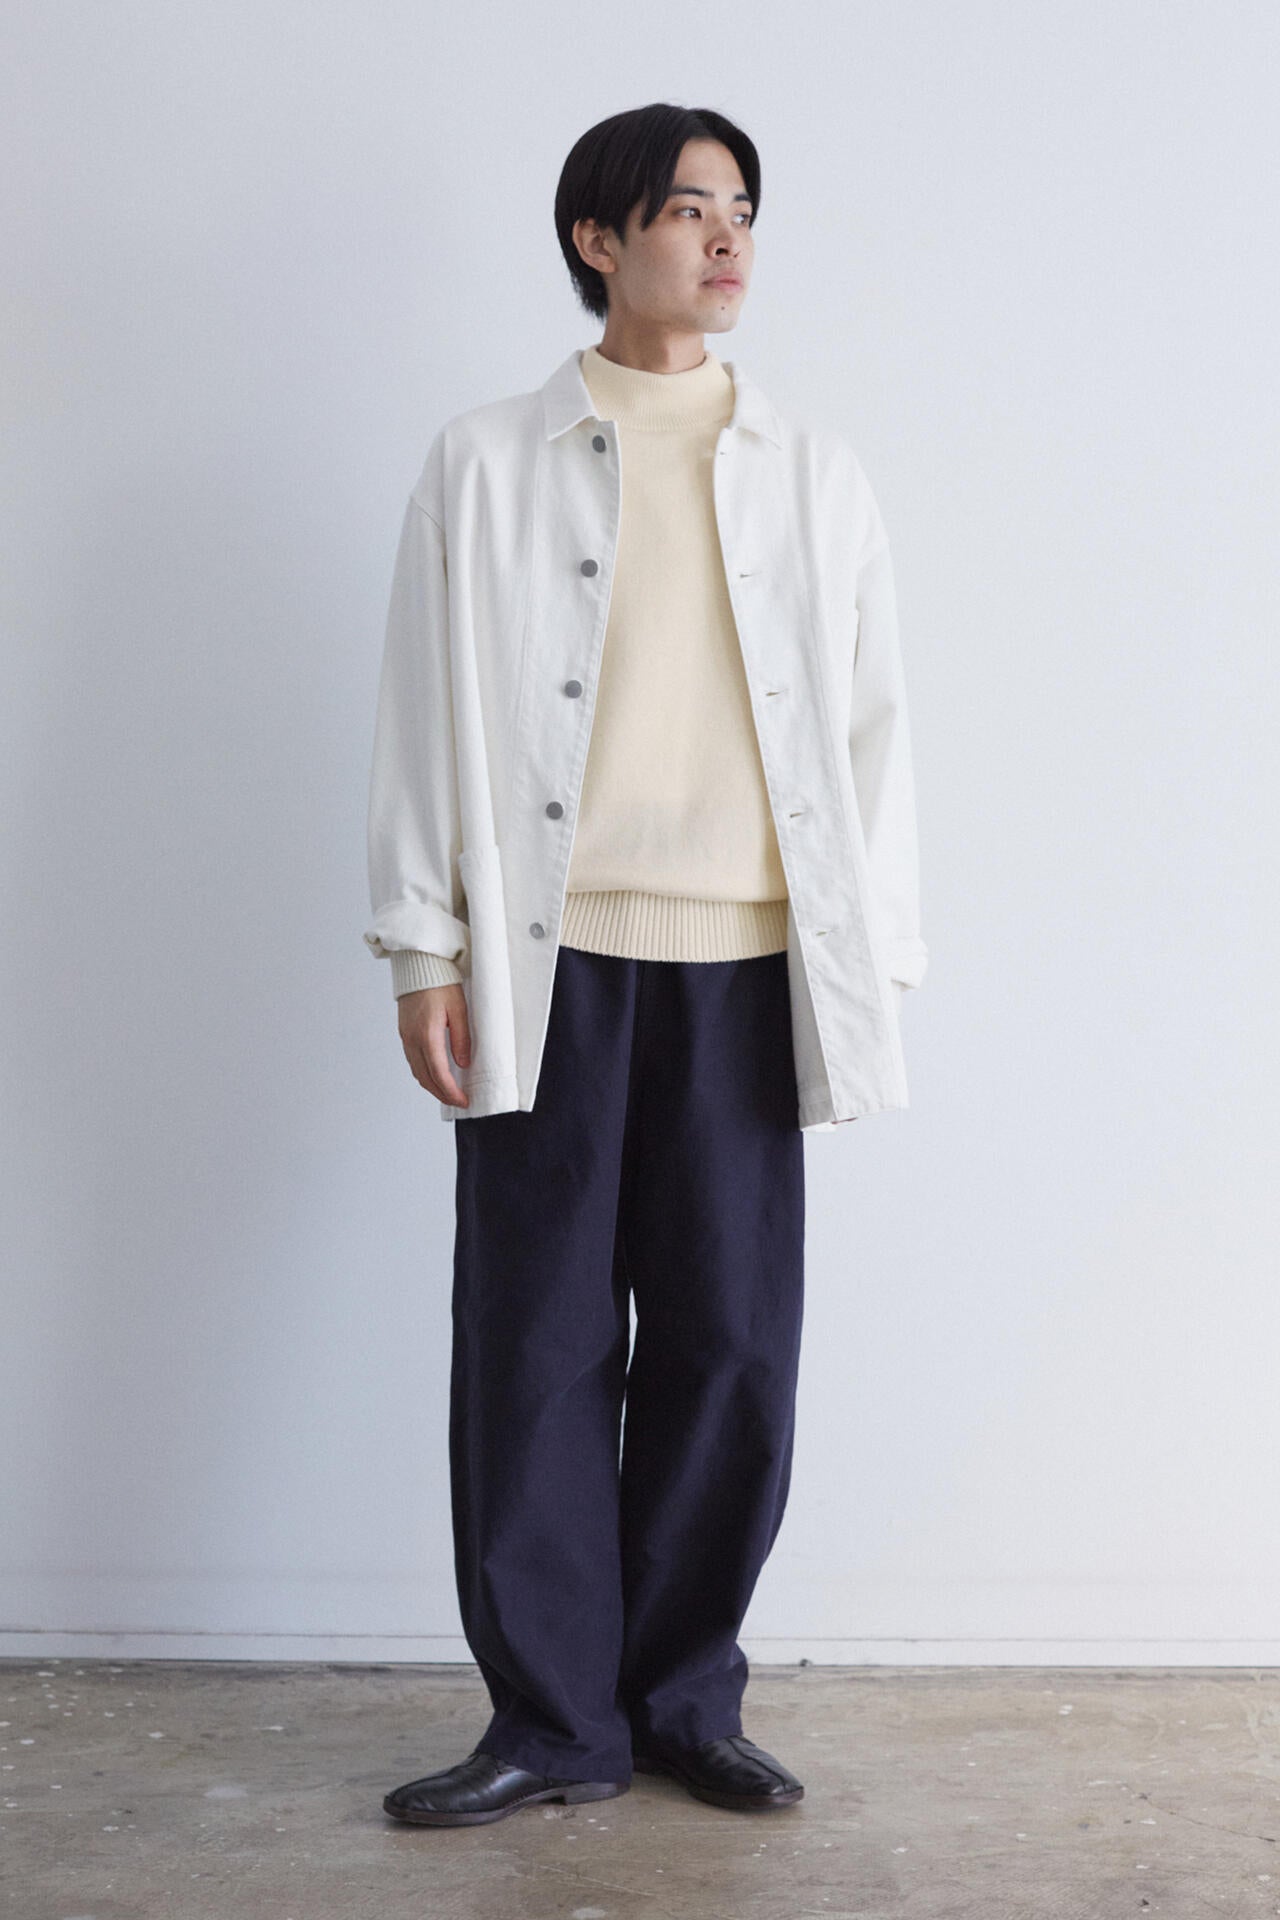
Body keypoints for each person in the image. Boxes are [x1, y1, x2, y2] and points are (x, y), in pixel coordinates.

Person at [364, 101, 927, 1828]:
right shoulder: (485, 461)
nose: (727, 235)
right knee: (531, 1344)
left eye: (742, 207)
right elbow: (420, 710)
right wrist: (424, 943)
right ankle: (551, 1722)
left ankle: (682, 1700)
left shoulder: (813, 470)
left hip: (748, 967)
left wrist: (878, 956)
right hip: (554, 966)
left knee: (730, 1343)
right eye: (688, 208)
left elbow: (875, 729)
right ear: (599, 239)